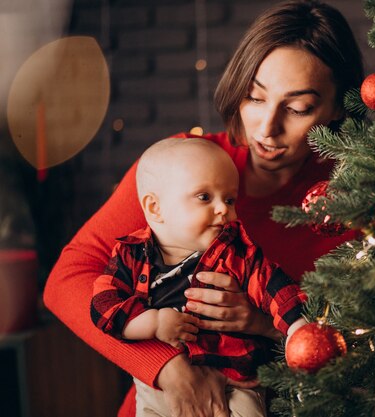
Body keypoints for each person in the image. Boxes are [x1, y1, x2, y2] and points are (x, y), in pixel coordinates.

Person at [44, 1, 364, 416]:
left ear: (338, 106)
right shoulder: (178, 165)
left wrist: (260, 323)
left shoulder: (357, 197)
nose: (266, 128)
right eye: (254, 97)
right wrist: (165, 367)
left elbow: (369, 346)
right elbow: (65, 281)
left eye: (298, 108)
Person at [91, 138, 307, 417]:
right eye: (204, 197)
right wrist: (152, 323)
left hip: (234, 381)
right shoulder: (131, 254)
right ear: (155, 208)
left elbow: (276, 287)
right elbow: (103, 305)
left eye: (230, 199)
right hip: (158, 387)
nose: (223, 209)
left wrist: (298, 327)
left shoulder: (235, 254)